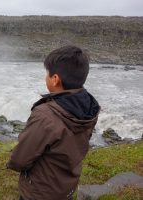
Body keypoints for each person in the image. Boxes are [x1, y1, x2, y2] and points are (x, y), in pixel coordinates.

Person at [7, 45, 100, 200]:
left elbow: (20, 159)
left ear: (55, 79)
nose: (46, 77)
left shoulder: (45, 115)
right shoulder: (89, 106)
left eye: (47, 73)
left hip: (40, 192)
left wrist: (12, 163)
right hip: (66, 187)